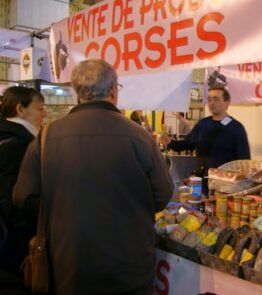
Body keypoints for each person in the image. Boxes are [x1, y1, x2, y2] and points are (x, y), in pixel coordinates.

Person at [13, 59, 174, 295]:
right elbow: (163, 194)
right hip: (129, 265)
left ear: (78, 92)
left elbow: (23, 198)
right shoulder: (139, 137)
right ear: (112, 90)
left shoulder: (46, 138)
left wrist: (61, 214)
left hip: (67, 263)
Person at [0, 86, 46, 288]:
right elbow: (10, 197)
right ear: (20, 109)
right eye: (39, 108)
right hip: (15, 239)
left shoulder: (8, 137)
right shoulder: (19, 144)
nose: (43, 114)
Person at [160, 86, 250, 184]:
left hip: (226, 183)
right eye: (209, 99)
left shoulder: (236, 128)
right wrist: (170, 142)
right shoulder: (203, 124)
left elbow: (244, 161)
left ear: (226, 102)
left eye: (216, 99)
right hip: (202, 180)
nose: (211, 103)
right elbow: (187, 144)